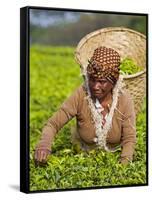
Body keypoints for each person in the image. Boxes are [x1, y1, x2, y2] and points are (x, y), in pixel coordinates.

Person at [34, 46, 136, 166]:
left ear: (114, 81)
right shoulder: (81, 94)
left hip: (115, 156)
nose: (95, 86)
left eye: (102, 82)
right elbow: (52, 124)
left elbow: (129, 138)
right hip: (84, 157)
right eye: (92, 79)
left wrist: (124, 165)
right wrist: (44, 145)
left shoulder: (124, 99)